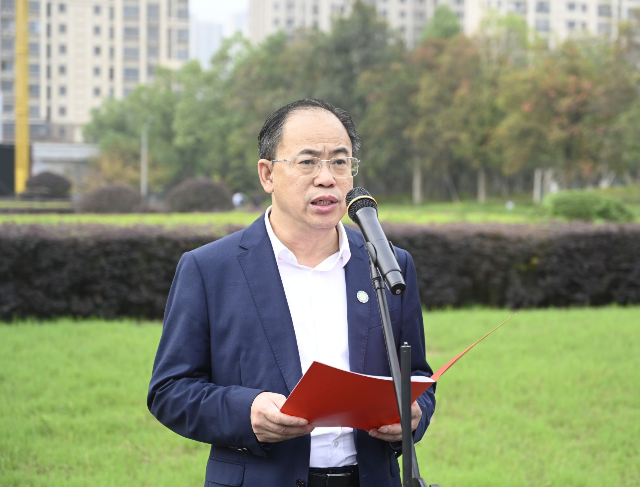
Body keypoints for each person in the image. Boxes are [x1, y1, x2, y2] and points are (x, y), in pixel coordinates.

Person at [148, 99, 436, 487]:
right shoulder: (210, 269)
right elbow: (169, 390)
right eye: (308, 162)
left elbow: (417, 374)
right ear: (267, 174)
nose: (327, 178)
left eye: (340, 162)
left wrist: (414, 413)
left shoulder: (388, 264)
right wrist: (245, 411)